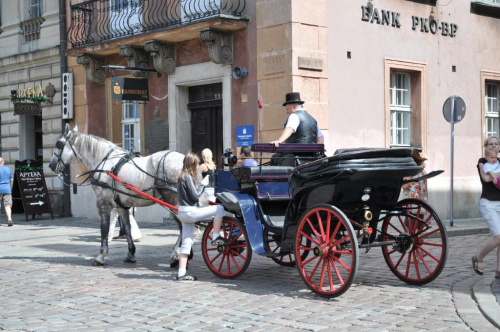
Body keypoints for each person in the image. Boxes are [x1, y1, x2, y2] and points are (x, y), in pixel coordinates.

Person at [176, 152, 226, 281]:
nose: (198, 166)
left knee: (186, 241)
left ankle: (181, 273)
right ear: (192, 164)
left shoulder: (181, 176)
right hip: (190, 212)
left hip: (182, 212)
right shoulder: (187, 176)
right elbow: (195, 195)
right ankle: (215, 236)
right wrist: (203, 183)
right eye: (196, 164)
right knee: (219, 209)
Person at [270, 92, 324, 166]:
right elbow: (320, 136)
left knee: (275, 157)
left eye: (288, 109)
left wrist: (280, 140)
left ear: (294, 107)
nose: (287, 112)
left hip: (295, 153)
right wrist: (318, 146)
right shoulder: (312, 119)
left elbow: (290, 128)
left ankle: (276, 177)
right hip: (311, 155)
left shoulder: (294, 116)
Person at [473, 136, 500, 279]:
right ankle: (479, 258)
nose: (494, 146)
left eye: (496, 144)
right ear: (486, 146)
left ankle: (499, 270)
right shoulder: (483, 161)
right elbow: (487, 179)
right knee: (498, 237)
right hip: (488, 202)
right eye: (491, 144)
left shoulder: (499, 161)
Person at [0, 157, 13, 227]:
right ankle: (9, 219)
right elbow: (11, 179)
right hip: (7, 189)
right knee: (7, 205)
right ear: (3, 162)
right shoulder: (8, 169)